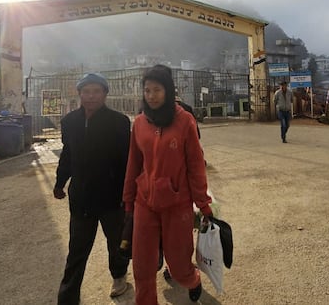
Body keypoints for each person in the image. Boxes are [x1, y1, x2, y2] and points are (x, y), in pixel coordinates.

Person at [123, 64, 213, 304]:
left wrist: (203, 203)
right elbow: (133, 162)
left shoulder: (184, 121)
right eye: (147, 90)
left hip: (177, 204)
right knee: (142, 267)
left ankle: (192, 280)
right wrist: (129, 199)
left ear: (169, 90)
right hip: (145, 202)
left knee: (179, 266)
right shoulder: (140, 122)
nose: (151, 96)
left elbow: (195, 164)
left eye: (157, 90)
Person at [53, 73, 131, 304]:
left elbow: (127, 161)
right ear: (79, 94)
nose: (91, 96)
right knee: (77, 251)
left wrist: (129, 194)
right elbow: (67, 155)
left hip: (112, 197)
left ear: (105, 94)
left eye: (96, 91)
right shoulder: (69, 122)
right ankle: (67, 297)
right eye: (86, 92)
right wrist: (60, 182)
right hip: (81, 198)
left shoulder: (119, 122)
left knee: (116, 244)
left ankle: (119, 276)